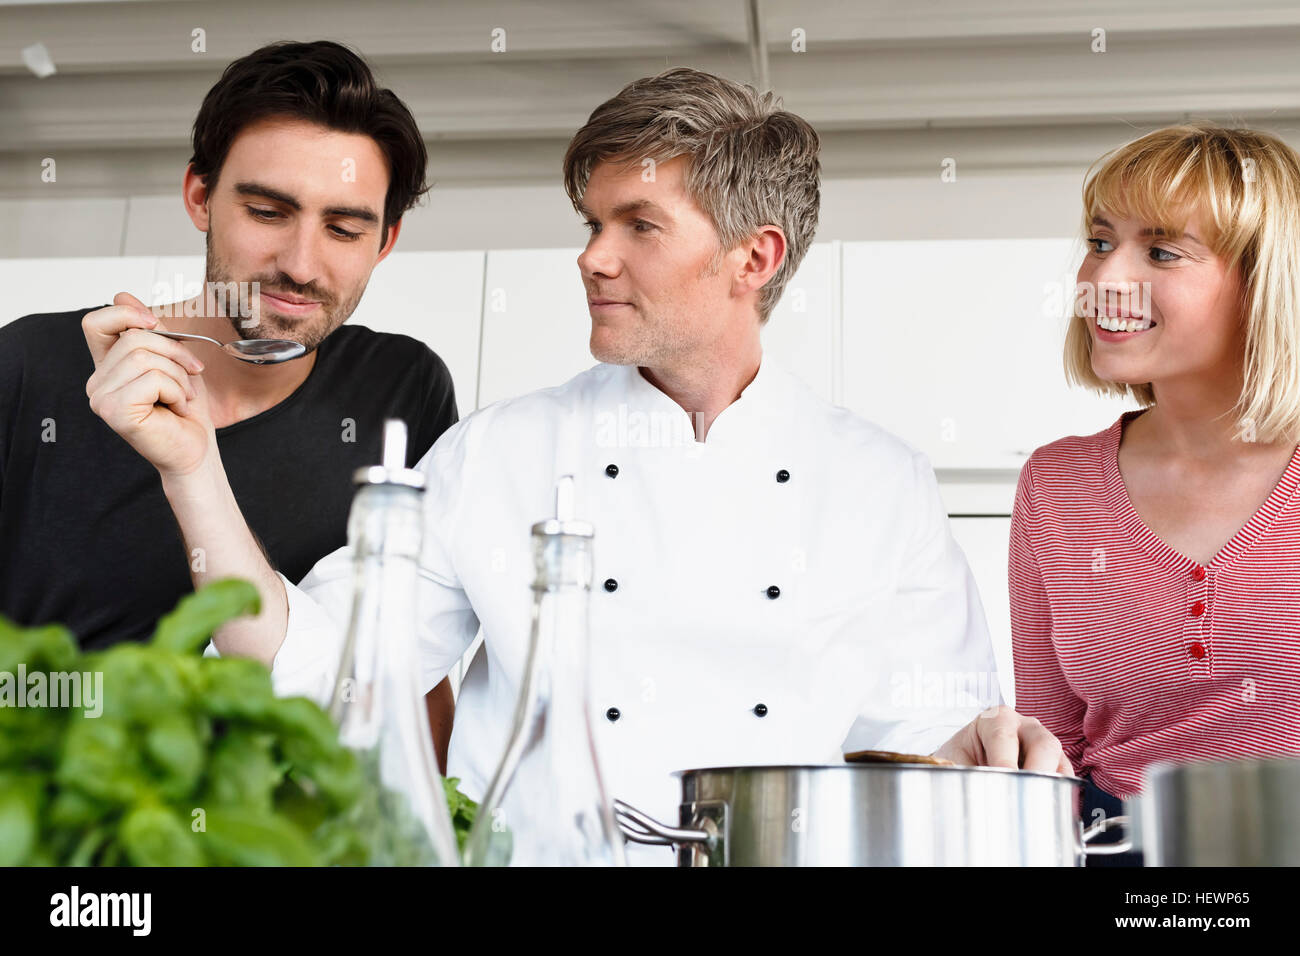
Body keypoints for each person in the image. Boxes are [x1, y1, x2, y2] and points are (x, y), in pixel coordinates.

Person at [90, 66, 1069, 864]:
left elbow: (928, 750)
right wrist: (191, 466)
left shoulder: (877, 482)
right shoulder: (504, 451)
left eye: (637, 226)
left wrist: (986, 746)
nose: (591, 258)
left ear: (753, 257)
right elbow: (316, 667)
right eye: (591, 224)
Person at [0, 40, 459, 768]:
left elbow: (408, 668)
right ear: (199, 197)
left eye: (344, 229)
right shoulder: (30, 367)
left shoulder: (401, 389)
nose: (301, 265)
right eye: (268, 211)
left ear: (386, 240)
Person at [1011, 124, 1300, 865]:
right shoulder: (1056, 485)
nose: (1106, 279)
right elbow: (1055, 754)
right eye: (1101, 242)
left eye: (1162, 252)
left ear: (1263, 281)